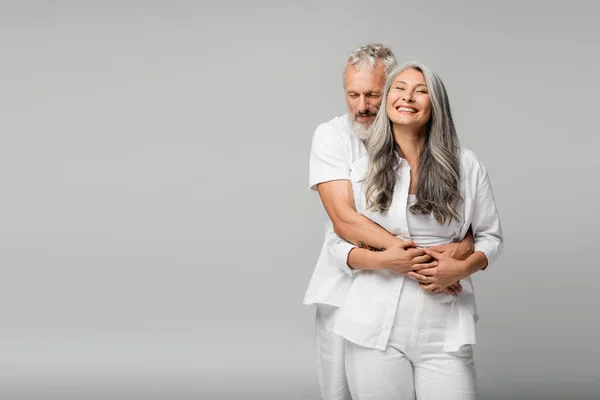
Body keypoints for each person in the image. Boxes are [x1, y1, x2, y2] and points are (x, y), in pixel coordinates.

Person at [305, 45, 474, 400]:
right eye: (353, 94)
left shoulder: (422, 142)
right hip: (346, 284)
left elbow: (464, 223)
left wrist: (454, 256)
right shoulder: (332, 136)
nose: (362, 106)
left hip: (420, 297)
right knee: (340, 392)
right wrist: (420, 260)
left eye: (372, 95)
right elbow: (344, 217)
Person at [329, 62, 503, 399]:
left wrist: (461, 266)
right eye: (399, 88)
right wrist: (388, 261)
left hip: (445, 330)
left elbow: (491, 237)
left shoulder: (467, 165)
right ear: (388, 100)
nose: (408, 96)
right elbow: (337, 245)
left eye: (421, 90)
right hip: (373, 330)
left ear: (436, 104)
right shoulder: (362, 169)